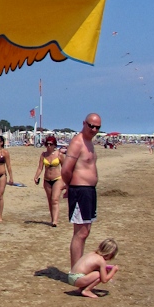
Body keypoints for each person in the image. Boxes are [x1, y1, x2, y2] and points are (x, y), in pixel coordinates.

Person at [61, 113, 101, 269]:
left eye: (97, 127)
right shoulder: (78, 142)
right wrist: (70, 186)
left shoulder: (89, 142)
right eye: (91, 126)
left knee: (85, 231)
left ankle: (78, 269)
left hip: (89, 191)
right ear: (84, 123)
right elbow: (66, 169)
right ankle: (75, 272)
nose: (94, 129)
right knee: (80, 233)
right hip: (80, 190)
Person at [33, 135, 66, 226]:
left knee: (55, 199)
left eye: (51, 144)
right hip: (47, 179)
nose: (48, 146)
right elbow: (40, 167)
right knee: (50, 200)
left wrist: (66, 181)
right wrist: (36, 176)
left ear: (54, 145)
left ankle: (55, 221)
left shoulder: (59, 154)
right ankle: (52, 218)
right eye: (47, 144)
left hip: (57, 179)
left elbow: (64, 168)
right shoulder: (43, 155)